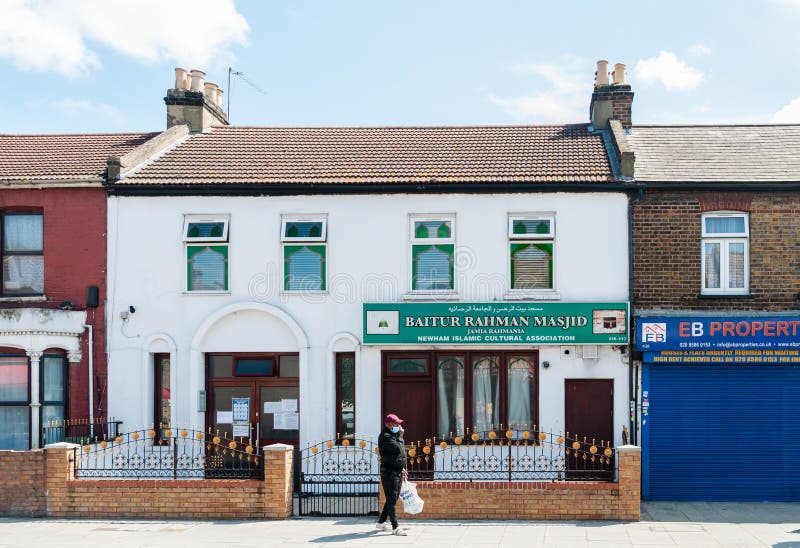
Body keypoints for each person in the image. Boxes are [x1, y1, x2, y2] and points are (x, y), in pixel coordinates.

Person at [376, 413, 408, 535]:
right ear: (388, 424)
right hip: (389, 473)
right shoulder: (386, 436)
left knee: (392, 498)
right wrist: (401, 436)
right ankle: (395, 527)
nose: (398, 426)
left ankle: (381, 522)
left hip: (396, 471)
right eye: (396, 424)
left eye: (399, 424)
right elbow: (398, 449)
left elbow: (399, 455)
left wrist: (402, 468)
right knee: (391, 499)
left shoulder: (392, 435)